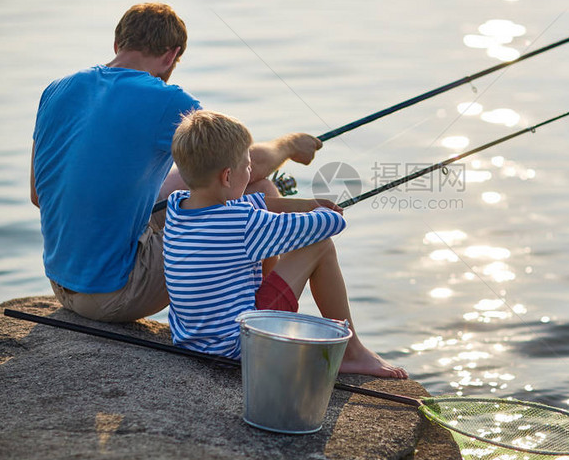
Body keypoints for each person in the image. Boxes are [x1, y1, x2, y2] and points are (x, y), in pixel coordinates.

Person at [31, 2, 322, 323]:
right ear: (171, 56)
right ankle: (256, 323)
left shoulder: (56, 90)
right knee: (259, 190)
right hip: (113, 294)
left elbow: (37, 195)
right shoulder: (168, 99)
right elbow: (246, 163)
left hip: (60, 284)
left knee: (233, 186)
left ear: (117, 45)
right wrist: (292, 144)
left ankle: (254, 314)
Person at [164, 110, 406, 378]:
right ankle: (351, 351)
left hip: (192, 341)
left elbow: (251, 203)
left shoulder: (178, 205)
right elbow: (330, 225)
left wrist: (305, 205)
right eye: (247, 166)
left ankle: (277, 312)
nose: (250, 172)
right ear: (227, 177)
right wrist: (322, 212)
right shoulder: (244, 224)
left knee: (268, 227)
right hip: (240, 349)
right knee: (321, 246)